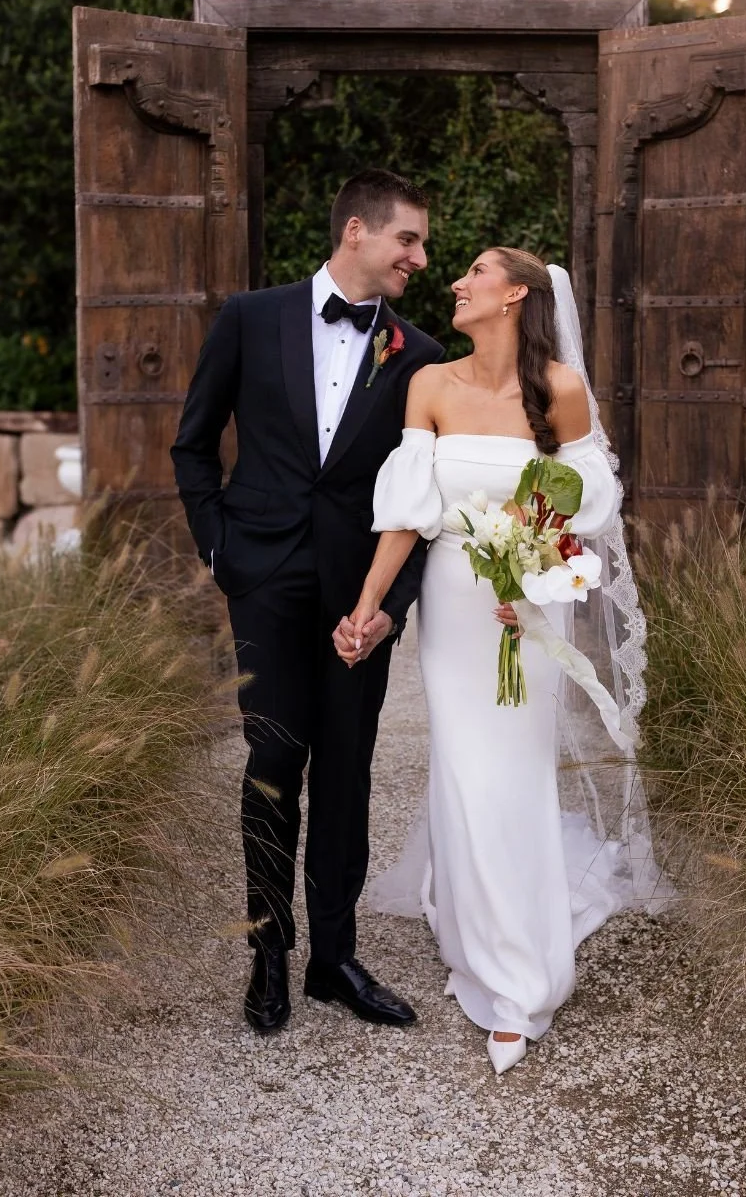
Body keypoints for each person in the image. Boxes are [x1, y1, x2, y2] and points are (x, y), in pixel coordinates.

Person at [334, 247, 666, 1075]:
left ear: (515, 292)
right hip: (454, 599)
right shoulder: (431, 385)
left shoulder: (560, 388)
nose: (457, 281)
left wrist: (531, 560)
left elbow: (590, 496)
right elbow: (407, 512)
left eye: (476, 272)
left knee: (512, 774)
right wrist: (367, 607)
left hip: (529, 595)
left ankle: (521, 980)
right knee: (461, 770)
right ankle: (475, 939)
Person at [171, 169, 443, 1035]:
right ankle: (267, 952)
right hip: (264, 581)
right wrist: (221, 550)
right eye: (408, 240)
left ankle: (334, 958)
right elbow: (192, 444)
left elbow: (424, 500)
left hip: (357, 602)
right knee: (271, 767)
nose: (420, 259)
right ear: (356, 230)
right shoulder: (251, 319)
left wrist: (391, 603)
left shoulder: (423, 358)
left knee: (348, 774)